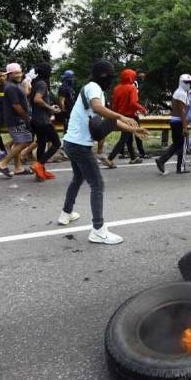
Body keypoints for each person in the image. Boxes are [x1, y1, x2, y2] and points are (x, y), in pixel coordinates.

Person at [59, 60, 148, 244]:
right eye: (110, 77)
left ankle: (65, 213)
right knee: (97, 185)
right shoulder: (93, 88)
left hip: (70, 142)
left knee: (78, 178)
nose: (111, 82)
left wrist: (134, 130)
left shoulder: (91, 88)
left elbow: (109, 122)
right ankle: (98, 229)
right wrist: (122, 115)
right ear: (103, 76)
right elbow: (99, 108)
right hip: (79, 146)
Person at [0, 63, 33, 177]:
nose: (19, 75)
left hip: (16, 119)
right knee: (25, 141)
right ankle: (3, 163)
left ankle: (18, 168)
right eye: (16, 73)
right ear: (9, 74)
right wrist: (26, 117)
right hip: (16, 119)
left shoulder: (16, 85)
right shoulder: (11, 87)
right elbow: (16, 105)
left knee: (17, 142)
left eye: (20, 72)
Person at [29, 62, 62, 180]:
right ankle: (39, 164)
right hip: (43, 121)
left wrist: (49, 107)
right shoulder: (42, 84)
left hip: (36, 119)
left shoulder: (36, 83)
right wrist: (50, 108)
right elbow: (37, 100)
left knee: (42, 144)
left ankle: (40, 172)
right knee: (57, 143)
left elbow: (32, 101)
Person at [106, 69, 146, 165]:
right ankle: (110, 158)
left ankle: (133, 158)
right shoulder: (132, 88)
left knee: (128, 138)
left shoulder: (117, 88)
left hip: (120, 116)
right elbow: (133, 102)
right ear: (131, 77)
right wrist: (142, 108)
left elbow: (114, 104)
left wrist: (115, 115)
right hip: (130, 117)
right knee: (124, 138)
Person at [155, 74, 191, 174]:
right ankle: (180, 167)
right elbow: (182, 111)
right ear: (181, 82)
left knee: (177, 144)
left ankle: (163, 161)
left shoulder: (180, 92)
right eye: (186, 82)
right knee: (182, 144)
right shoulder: (181, 94)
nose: (188, 84)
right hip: (179, 122)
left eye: (189, 82)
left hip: (175, 121)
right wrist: (185, 127)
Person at [57, 70, 76, 134]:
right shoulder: (63, 87)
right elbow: (61, 100)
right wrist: (63, 110)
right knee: (68, 126)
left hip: (71, 109)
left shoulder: (70, 87)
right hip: (67, 110)